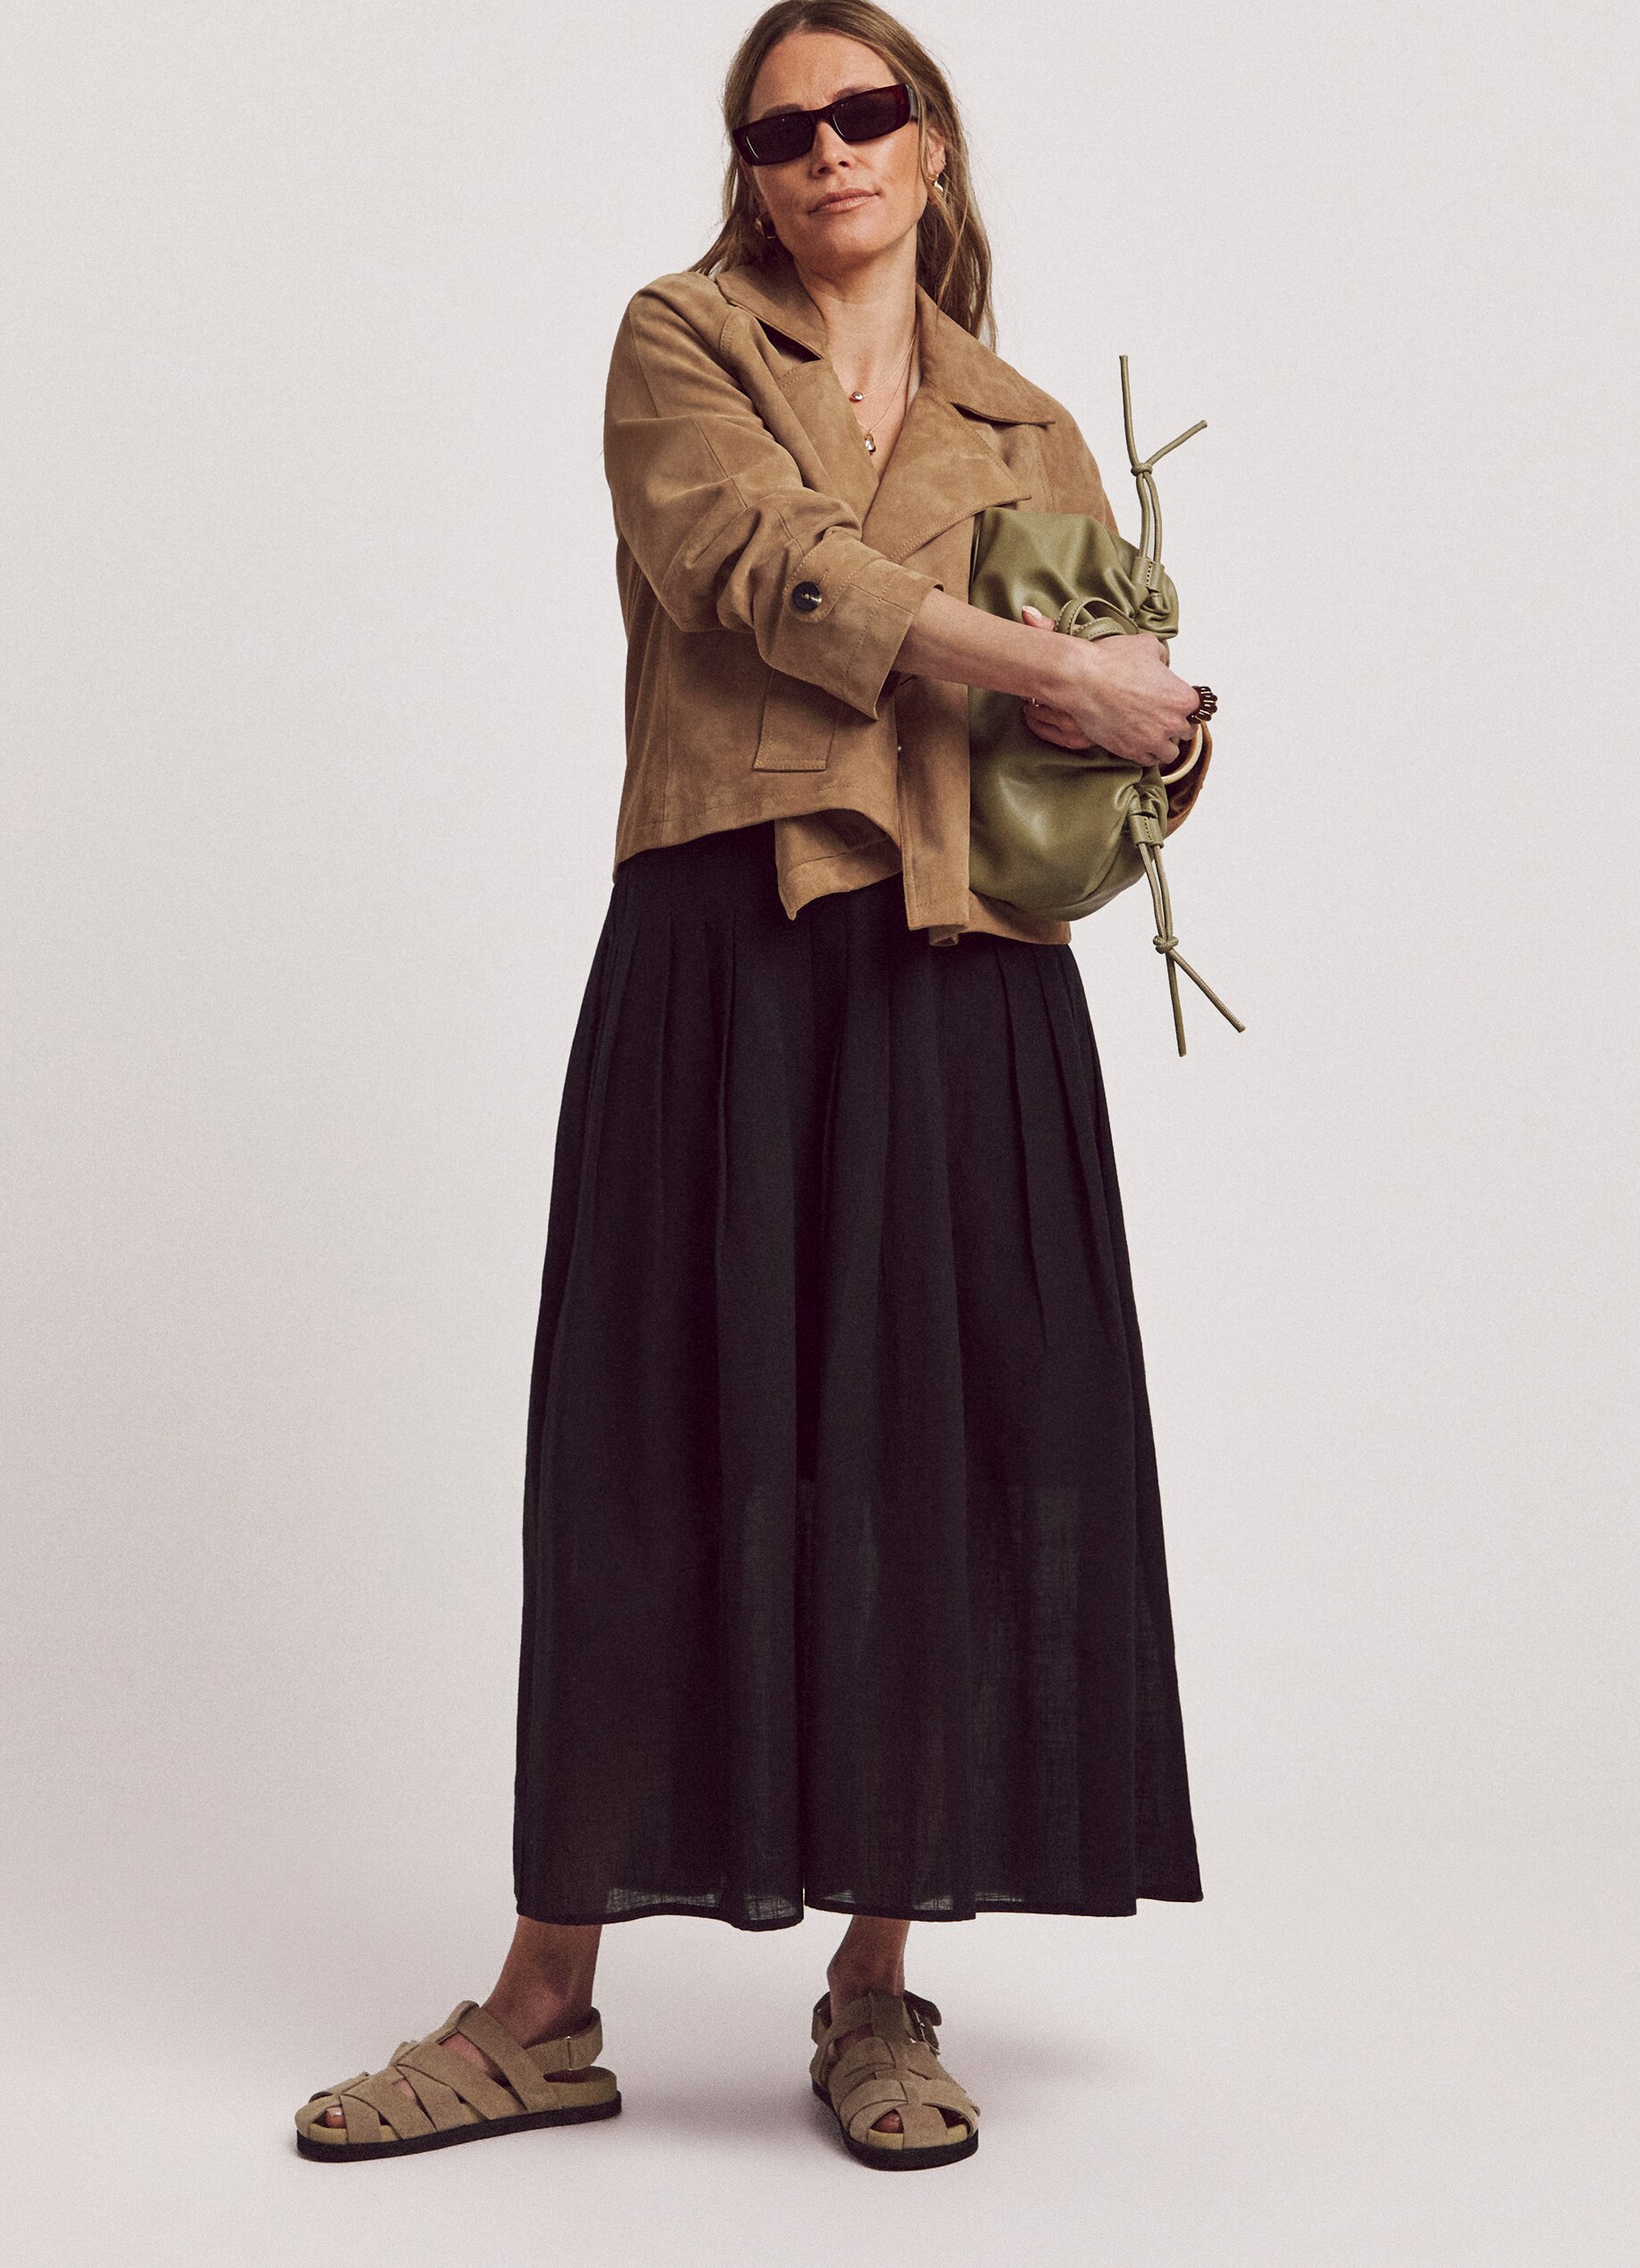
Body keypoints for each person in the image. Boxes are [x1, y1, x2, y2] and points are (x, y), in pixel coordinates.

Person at [295, 0, 1215, 2174]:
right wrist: (1055, 669)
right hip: (726, 949)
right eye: (780, 125)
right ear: (750, 164)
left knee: (939, 1446)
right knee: (653, 1428)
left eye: (863, 108)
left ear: (931, 138)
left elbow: (1103, 731)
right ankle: (541, 2006)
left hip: (965, 979)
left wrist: (1166, 729)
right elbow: (765, 571)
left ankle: (879, 1983)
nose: (826, 150)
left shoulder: (1027, 423)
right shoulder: (682, 343)